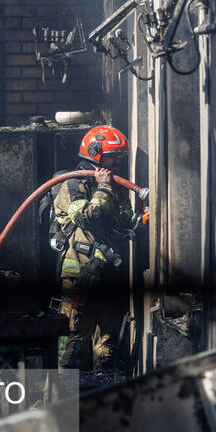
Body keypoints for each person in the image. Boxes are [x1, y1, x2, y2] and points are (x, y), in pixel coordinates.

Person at [53, 125, 141, 371]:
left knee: (106, 345)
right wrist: (103, 188)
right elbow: (87, 218)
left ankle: (100, 397)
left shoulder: (113, 186)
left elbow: (122, 220)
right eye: (114, 156)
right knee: (74, 342)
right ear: (96, 153)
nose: (117, 162)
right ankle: (64, 404)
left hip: (108, 274)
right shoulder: (72, 184)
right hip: (79, 274)